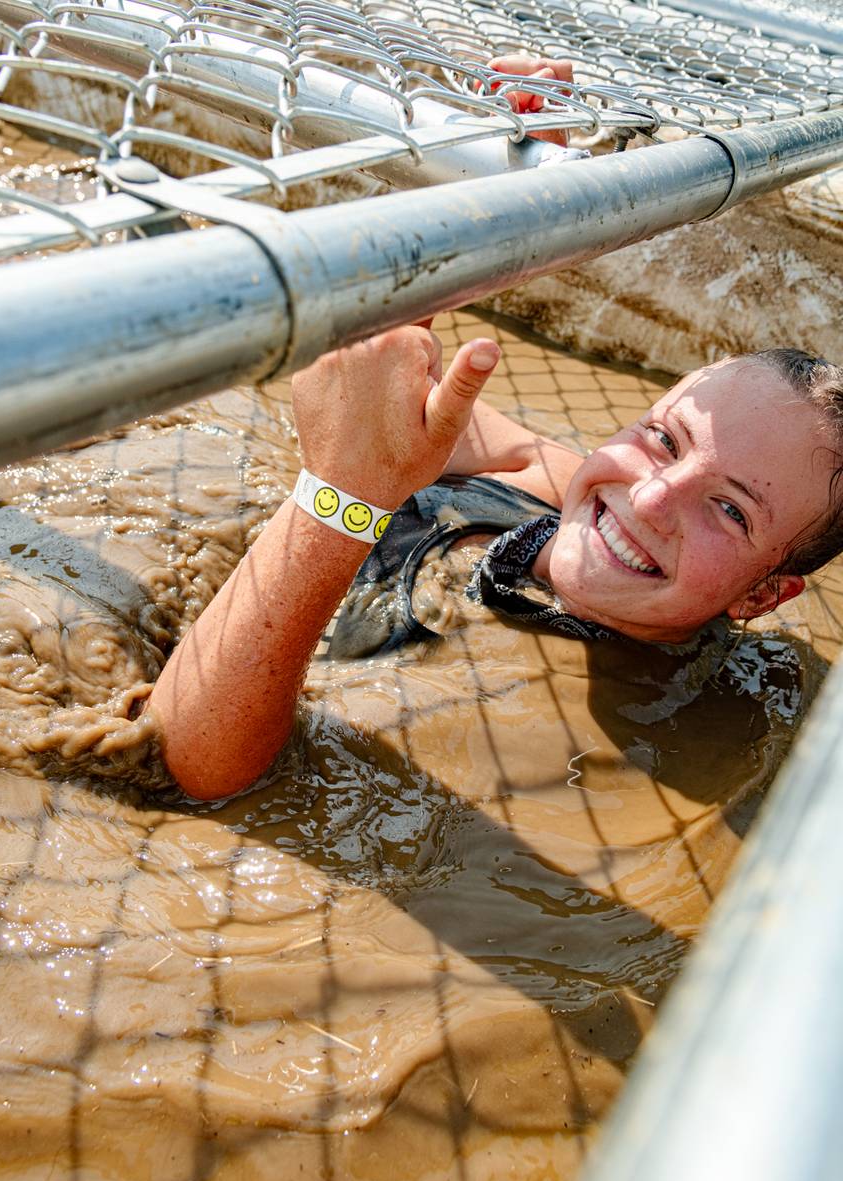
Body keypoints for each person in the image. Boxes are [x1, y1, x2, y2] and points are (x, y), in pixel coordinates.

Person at [148, 61, 843, 802]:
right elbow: (389, 392)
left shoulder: (596, 724)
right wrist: (478, 191)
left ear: (764, 596)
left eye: (731, 510)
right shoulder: (563, 483)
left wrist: (339, 496)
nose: (649, 499)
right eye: (665, 439)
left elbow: (185, 767)